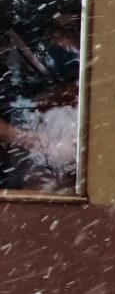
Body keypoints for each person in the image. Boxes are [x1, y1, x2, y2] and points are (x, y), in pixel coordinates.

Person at [0, 13, 80, 192]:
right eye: (52, 33)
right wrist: (25, 138)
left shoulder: (88, 100)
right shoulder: (33, 103)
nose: (56, 40)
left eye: (69, 31)